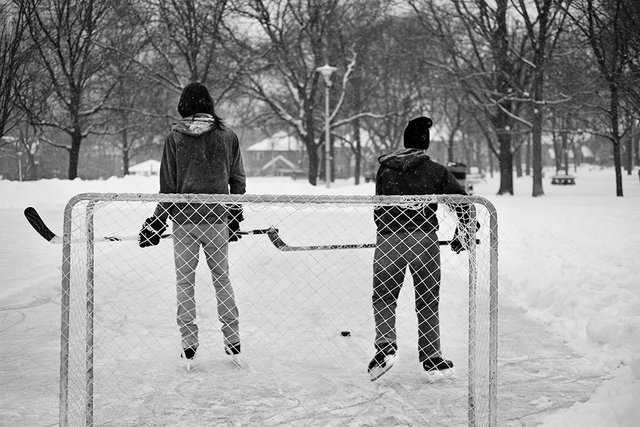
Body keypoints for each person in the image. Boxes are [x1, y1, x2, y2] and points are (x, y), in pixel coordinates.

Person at [138, 82, 246, 365]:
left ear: (184, 105)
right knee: (222, 279)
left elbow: (168, 187)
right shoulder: (227, 135)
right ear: (209, 104)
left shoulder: (175, 138)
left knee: (185, 282)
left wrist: (157, 221)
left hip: (184, 222)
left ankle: (188, 342)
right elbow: (238, 180)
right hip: (217, 221)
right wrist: (233, 215)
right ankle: (232, 338)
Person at [368, 116, 475, 381]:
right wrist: (464, 232)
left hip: (389, 239)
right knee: (427, 299)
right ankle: (431, 357)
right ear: (425, 144)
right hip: (423, 240)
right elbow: (463, 203)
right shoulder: (436, 171)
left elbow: (379, 206)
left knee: (383, 295)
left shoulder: (385, 170)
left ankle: (385, 346)